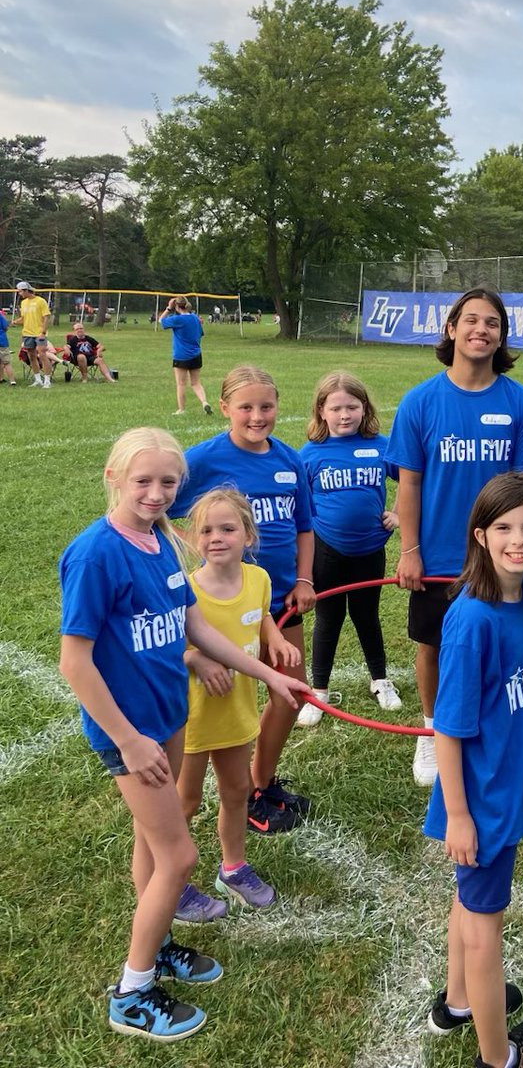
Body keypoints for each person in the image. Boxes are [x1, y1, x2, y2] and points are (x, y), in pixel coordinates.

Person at [58, 428, 307, 1041]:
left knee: (152, 846)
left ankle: (160, 940)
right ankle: (132, 994)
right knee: (179, 854)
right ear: (113, 478)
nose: (156, 492)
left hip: (169, 716)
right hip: (131, 731)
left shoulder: (164, 542)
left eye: (168, 482)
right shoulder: (96, 554)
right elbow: (76, 662)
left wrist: (268, 675)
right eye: (143, 480)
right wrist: (127, 739)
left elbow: (197, 628)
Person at [424, 473, 523, 1068]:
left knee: (471, 906)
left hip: (505, 786)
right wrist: (459, 815)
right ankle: (498, 1057)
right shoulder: (474, 620)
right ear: (480, 536)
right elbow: (449, 731)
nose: (519, 539)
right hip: (483, 802)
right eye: (503, 528)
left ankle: (458, 1002)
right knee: (486, 931)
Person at [387, 288, 523, 787]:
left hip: (500, 556)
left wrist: (520, 551)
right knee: (434, 645)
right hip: (437, 555)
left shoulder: (519, 401)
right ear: (452, 329)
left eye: (493, 323)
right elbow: (409, 484)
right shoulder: (421, 401)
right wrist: (409, 550)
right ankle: (433, 731)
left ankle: (490, 723)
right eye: (472, 320)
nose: (482, 330)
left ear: (501, 336)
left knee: (500, 643)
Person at [169, 365, 316, 834]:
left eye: (266, 406)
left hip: (277, 599)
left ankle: (261, 784)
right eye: (246, 407)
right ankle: (206, 790)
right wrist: (198, 548)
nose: (257, 416)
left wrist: (305, 579)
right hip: (220, 604)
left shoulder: (290, 461)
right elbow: (161, 513)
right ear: (226, 406)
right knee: (225, 696)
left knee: (289, 692)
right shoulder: (203, 461)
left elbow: (304, 527)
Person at [175, 489, 302, 922]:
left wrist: (277, 638)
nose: (216, 537)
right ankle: (170, 881)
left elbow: (261, 616)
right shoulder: (186, 588)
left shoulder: (259, 579)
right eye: (206, 530)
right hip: (192, 718)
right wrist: (197, 658)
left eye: (228, 528)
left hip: (237, 711)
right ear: (194, 539)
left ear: (248, 535)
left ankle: (233, 868)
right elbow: (172, 647)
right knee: (184, 801)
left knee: (236, 793)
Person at [296, 371, 401, 726]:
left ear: (364, 408)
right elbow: (300, 504)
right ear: (321, 411)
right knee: (329, 619)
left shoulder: (382, 446)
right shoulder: (310, 454)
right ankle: (319, 691)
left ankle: (380, 680)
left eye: (352, 407)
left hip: (371, 549)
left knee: (367, 615)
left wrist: (398, 512)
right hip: (328, 550)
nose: (345, 415)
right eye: (336, 408)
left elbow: (415, 479)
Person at [160, 296, 212, 416]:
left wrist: (168, 308)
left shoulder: (177, 319)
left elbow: (161, 321)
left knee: (181, 384)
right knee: (196, 383)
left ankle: (182, 409)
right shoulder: (195, 318)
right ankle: (204, 402)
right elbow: (200, 334)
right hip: (196, 354)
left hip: (181, 356)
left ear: (177, 306)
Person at [13, 280, 52, 387]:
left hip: (39, 333)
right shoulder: (23, 303)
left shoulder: (40, 301)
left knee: (42, 355)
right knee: (31, 356)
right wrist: (16, 321)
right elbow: (24, 318)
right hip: (27, 333)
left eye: (20, 291)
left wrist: (43, 332)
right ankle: (38, 379)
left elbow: (46, 317)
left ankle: (47, 381)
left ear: (26, 290)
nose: (19, 294)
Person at [0, 307, 17, 385]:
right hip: (2, 341)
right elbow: (6, 327)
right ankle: (12, 380)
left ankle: (1, 378)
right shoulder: (0, 316)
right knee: (6, 362)